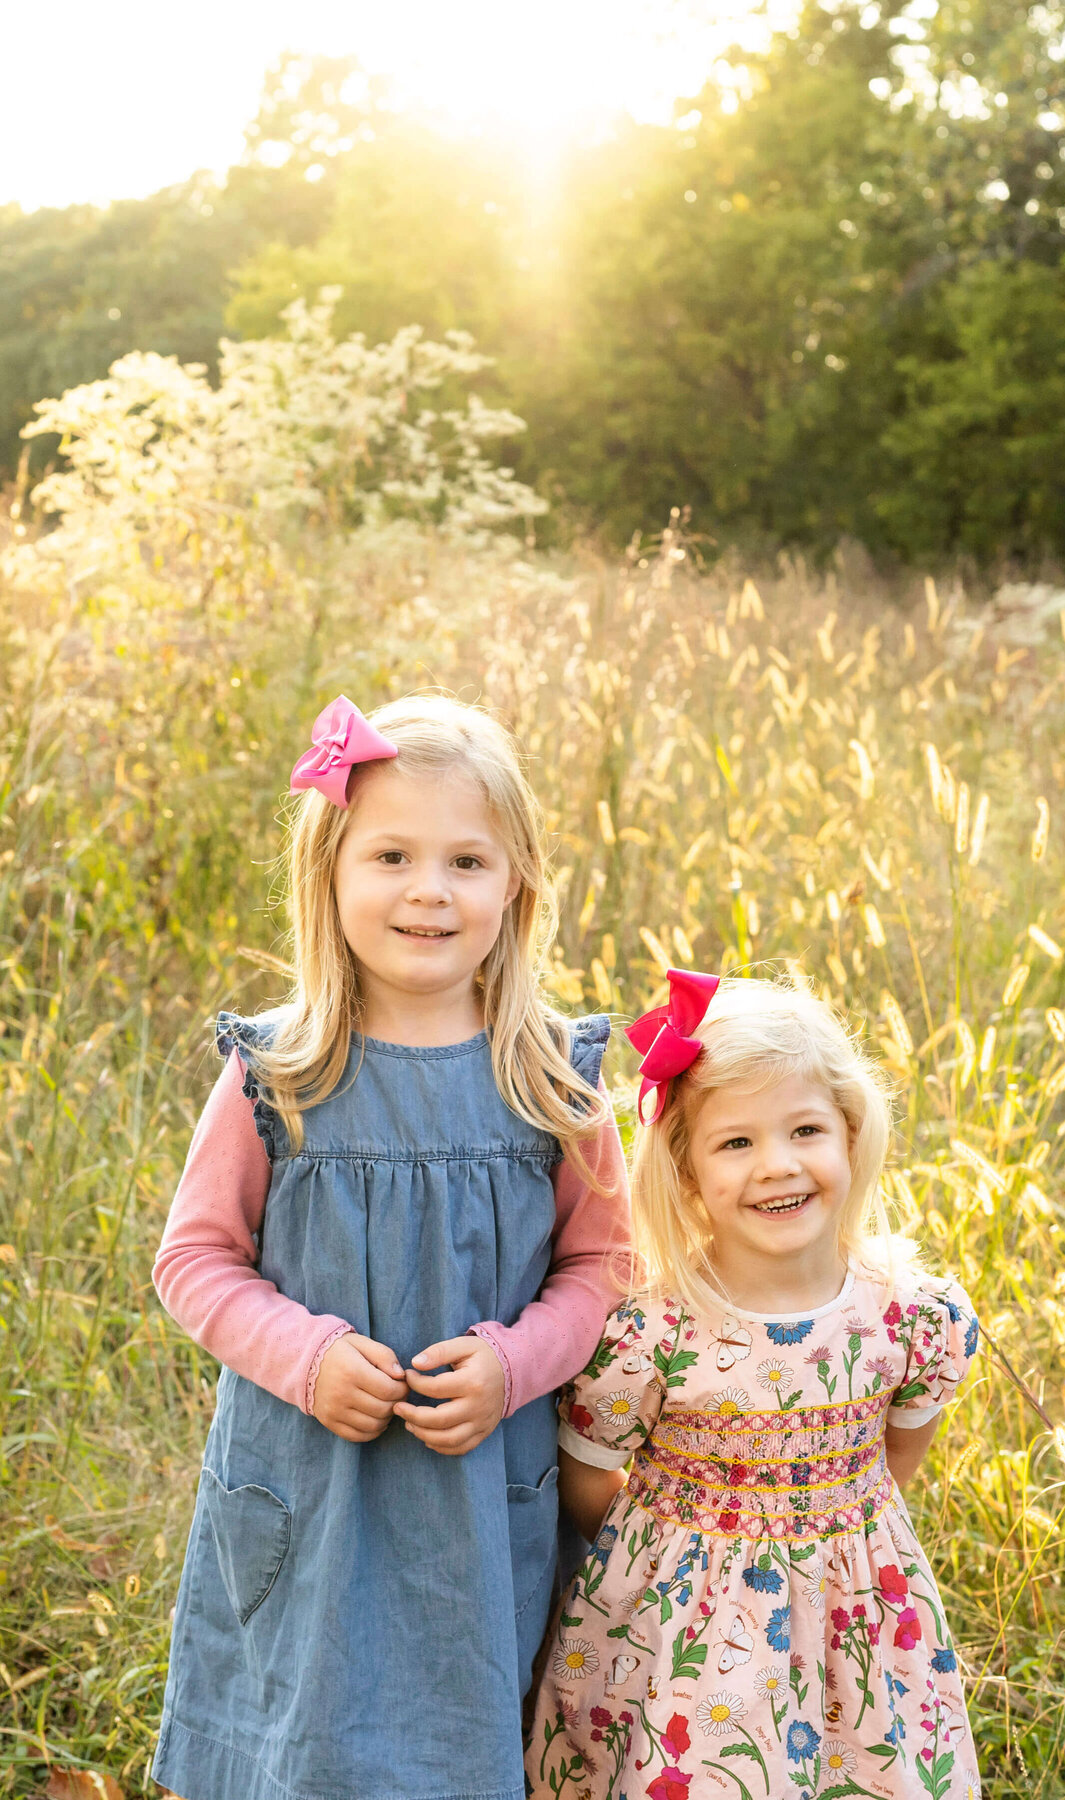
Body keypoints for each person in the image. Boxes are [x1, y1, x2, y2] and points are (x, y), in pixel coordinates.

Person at [151, 694, 631, 1800]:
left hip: (476, 1499)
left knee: (466, 1748)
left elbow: (606, 1267)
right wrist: (303, 1355)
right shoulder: (280, 1072)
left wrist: (516, 1363)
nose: (429, 889)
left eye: (468, 859)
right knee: (302, 1744)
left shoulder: (552, 1081)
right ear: (329, 870)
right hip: (310, 1487)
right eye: (392, 856)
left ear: (517, 884)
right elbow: (196, 1260)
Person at [527, 971, 982, 1800]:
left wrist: (823, 1530)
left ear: (850, 1133)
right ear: (689, 1171)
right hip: (689, 1633)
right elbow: (591, 1486)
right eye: (736, 1143)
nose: (777, 1166)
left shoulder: (911, 1316)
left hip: (862, 1621)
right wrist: (685, 1542)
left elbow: (896, 1460)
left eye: (804, 1129)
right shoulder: (652, 1333)